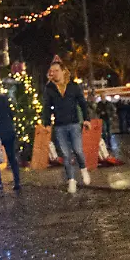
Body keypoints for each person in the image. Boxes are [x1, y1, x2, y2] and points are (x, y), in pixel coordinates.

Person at [41, 61, 92, 194]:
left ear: (63, 71)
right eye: (52, 71)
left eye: (56, 70)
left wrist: (86, 119)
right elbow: (46, 107)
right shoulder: (50, 88)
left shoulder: (73, 86)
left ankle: (83, 169)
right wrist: (46, 123)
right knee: (65, 154)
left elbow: (82, 103)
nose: (54, 73)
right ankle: (71, 180)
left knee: (78, 150)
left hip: (74, 123)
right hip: (59, 126)